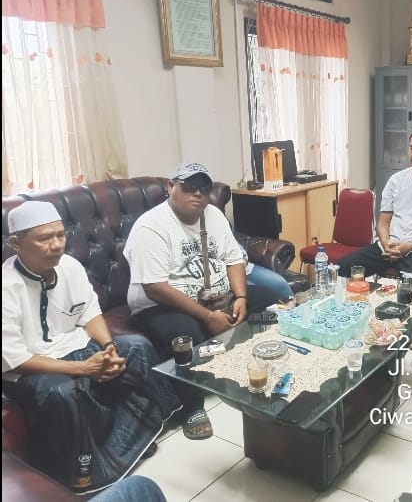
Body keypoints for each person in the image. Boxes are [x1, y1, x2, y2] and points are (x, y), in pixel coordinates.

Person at [1, 201, 181, 494]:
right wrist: (83, 368)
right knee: (63, 392)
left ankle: (135, 439)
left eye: (60, 235)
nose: (57, 245)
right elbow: (15, 358)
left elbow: (90, 313)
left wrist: (108, 348)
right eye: (45, 238)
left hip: (74, 345)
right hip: (31, 367)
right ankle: (86, 474)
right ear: (16, 244)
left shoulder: (69, 266)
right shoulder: (6, 286)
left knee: (136, 348)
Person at [124, 162, 282, 440]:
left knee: (270, 299)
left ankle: (253, 365)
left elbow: (234, 258)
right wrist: (208, 317)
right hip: (161, 305)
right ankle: (192, 406)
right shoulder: (151, 227)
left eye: (204, 188)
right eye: (189, 186)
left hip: (215, 295)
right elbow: (155, 288)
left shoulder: (214, 215)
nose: (197, 193)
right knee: (188, 335)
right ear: (171, 186)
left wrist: (241, 297)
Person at [337, 128, 412, 290]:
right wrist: (386, 244)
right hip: (390, 246)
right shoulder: (396, 180)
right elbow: (383, 223)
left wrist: (411, 245)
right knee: (344, 267)